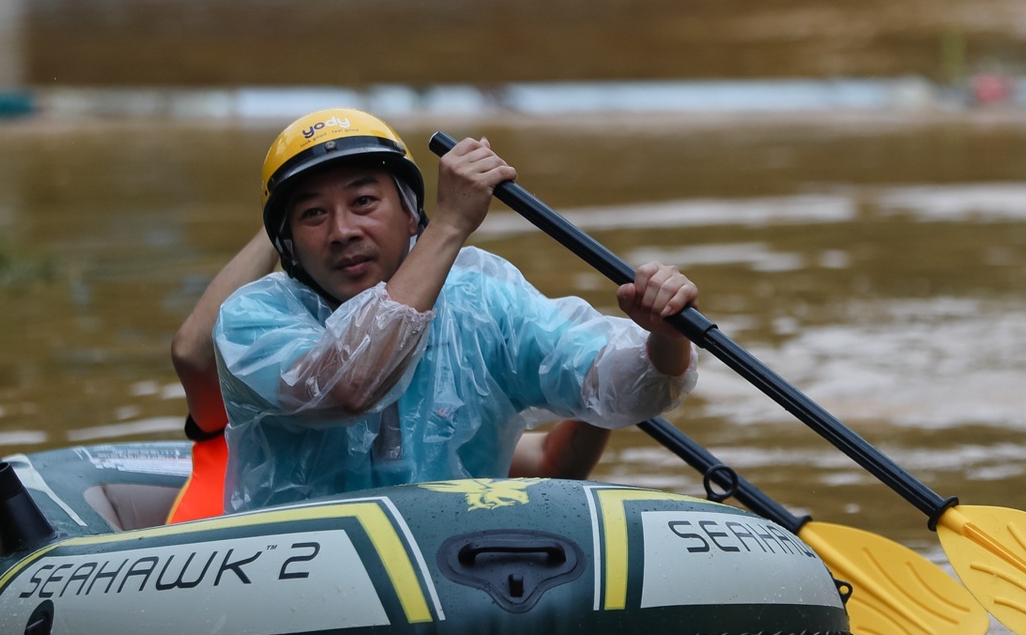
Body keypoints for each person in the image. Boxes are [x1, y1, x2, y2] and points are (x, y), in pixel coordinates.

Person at [177, 110, 698, 514]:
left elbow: (622, 389)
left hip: (461, 572)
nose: (342, 231)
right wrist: (450, 223)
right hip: (301, 586)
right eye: (314, 214)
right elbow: (348, 386)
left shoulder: (483, 298)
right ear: (288, 244)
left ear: (410, 216)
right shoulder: (251, 316)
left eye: (364, 202)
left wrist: (664, 337)